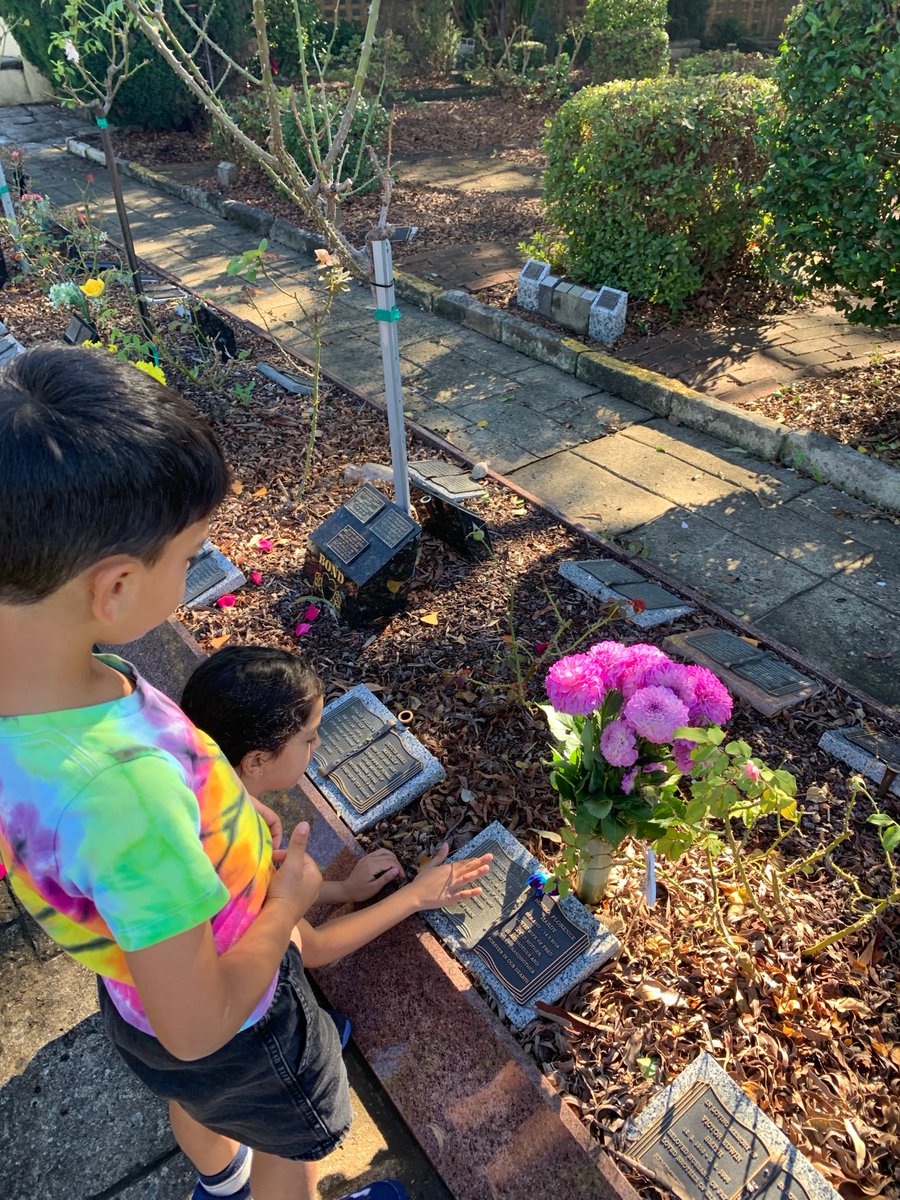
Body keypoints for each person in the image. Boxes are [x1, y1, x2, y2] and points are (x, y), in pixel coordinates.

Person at [0, 346, 492, 1200]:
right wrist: (292, 905)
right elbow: (202, 1028)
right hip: (238, 1021)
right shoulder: (122, 790)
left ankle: (217, 1182)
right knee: (290, 1136)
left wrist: (222, 818)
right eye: (190, 554)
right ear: (114, 588)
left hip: (134, 1002)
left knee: (196, 1100)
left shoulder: (51, 695)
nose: (196, 567)